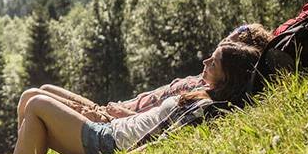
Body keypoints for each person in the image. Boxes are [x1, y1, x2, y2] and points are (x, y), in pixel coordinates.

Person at [0, 41, 261, 154]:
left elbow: (165, 141)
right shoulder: (205, 93)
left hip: (110, 142)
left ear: (226, 77)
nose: (205, 62)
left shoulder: (204, 107)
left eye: (213, 62)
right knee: (33, 101)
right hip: (115, 130)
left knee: (37, 104)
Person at [16, 23, 271, 124]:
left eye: (236, 36)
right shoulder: (206, 74)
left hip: (117, 120)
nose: (227, 38)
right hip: (115, 109)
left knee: (31, 97)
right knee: (45, 90)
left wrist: (116, 115)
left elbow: (156, 123)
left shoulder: (206, 90)